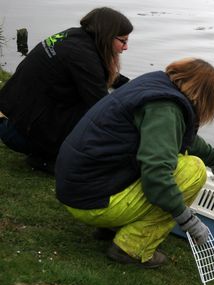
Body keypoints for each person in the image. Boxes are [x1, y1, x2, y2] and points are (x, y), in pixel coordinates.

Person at [55, 58, 214, 268]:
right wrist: (189, 221)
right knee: (193, 170)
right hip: (93, 201)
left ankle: (111, 227)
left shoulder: (155, 87)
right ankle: (131, 248)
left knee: (171, 157)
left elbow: (181, 137)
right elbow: (157, 178)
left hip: (77, 188)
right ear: (204, 98)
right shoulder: (166, 109)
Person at [0, 7, 133, 173]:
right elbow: (103, 109)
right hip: (18, 133)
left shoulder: (75, 37)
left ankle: (50, 151)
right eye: (123, 41)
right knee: (97, 118)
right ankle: (45, 157)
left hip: (12, 116)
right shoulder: (83, 57)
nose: (125, 47)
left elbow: (98, 72)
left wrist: (133, 85)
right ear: (106, 36)